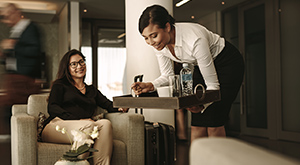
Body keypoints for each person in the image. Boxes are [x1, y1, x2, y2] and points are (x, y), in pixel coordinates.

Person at [131, 5, 244, 142]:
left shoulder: (194, 39)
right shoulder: (159, 45)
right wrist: (151, 85)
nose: (150, 42)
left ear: (167, 27)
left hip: (228, 64)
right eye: (146, 38)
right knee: (197, 123)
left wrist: (202, 105)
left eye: (153, 36)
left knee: (214, 120)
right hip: (201, 66)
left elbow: (213, 87)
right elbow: (168, 75)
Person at [41, 49, 128, 165]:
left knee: (105, 124)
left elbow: (108, 105)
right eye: (74, 64)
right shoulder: (60, 85)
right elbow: (52, 108)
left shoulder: (92, 90)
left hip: (85, 127)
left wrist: (121, 107)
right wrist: (78, 120)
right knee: (89, 125)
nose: (79, 66)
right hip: (56, 126)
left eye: (81, 62)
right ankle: (72, 163)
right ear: (67, 68)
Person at [0, 3, 41, 106]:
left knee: (9, 111)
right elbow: (16, 57)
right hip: (13, 78)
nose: (5, 21)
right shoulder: (16, 31)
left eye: (7, 16)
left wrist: (13, 46)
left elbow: (34, 50)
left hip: (23, 80)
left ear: (16, 12)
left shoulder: (30, 27)